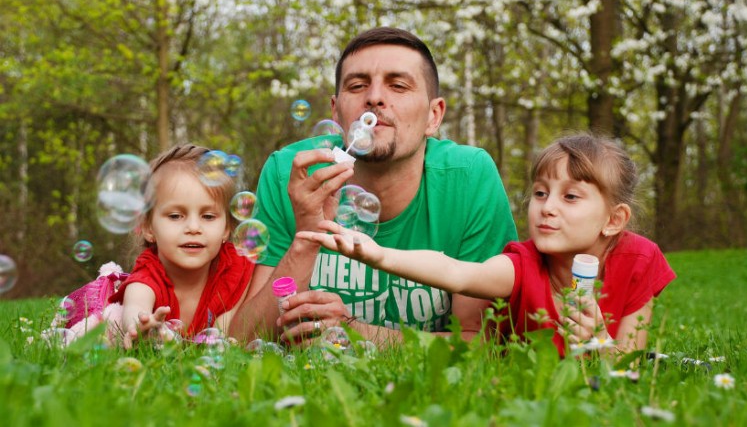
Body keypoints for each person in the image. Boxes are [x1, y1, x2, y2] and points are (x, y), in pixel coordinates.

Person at [228, 27, 517, 344]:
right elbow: (243, 340)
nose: (375, 97)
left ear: (434, 116)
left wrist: (354, 331)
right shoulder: (292, 172)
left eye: (398, 85)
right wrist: (307, 237)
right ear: (336, 111)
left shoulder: (468, 177)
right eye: (357, 85)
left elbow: (482, 345)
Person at [298, 133, 676, 355]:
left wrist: (599, 344)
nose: (547, 208)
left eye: (571, 197)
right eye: (541, 193)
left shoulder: (639, 261)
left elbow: (627, 369)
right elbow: (456, 272)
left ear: (614, 220)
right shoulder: (523, 265)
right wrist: (379, 254)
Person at [59, 144, 258, 348]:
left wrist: (219, 340)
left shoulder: (234, 267)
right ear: (148, 227)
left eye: (208, 216)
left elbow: (225, 329)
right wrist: (143, 327)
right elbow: (136, 308)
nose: (193, 227)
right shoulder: (148, 275)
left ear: (226, 228)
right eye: (175, 216)